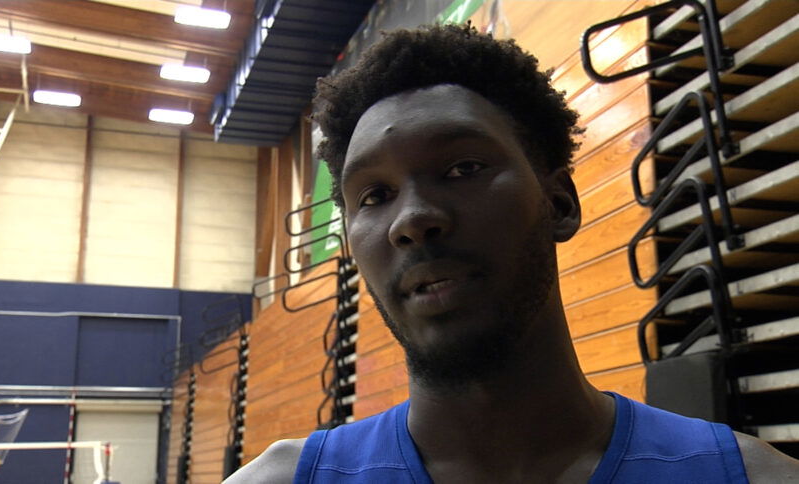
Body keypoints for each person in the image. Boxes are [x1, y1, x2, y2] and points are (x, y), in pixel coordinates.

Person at [226, 24, 799, 483]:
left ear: (560, 203)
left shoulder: (753, 476)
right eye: (374, 195)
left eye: (463, 168)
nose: (413, 219)